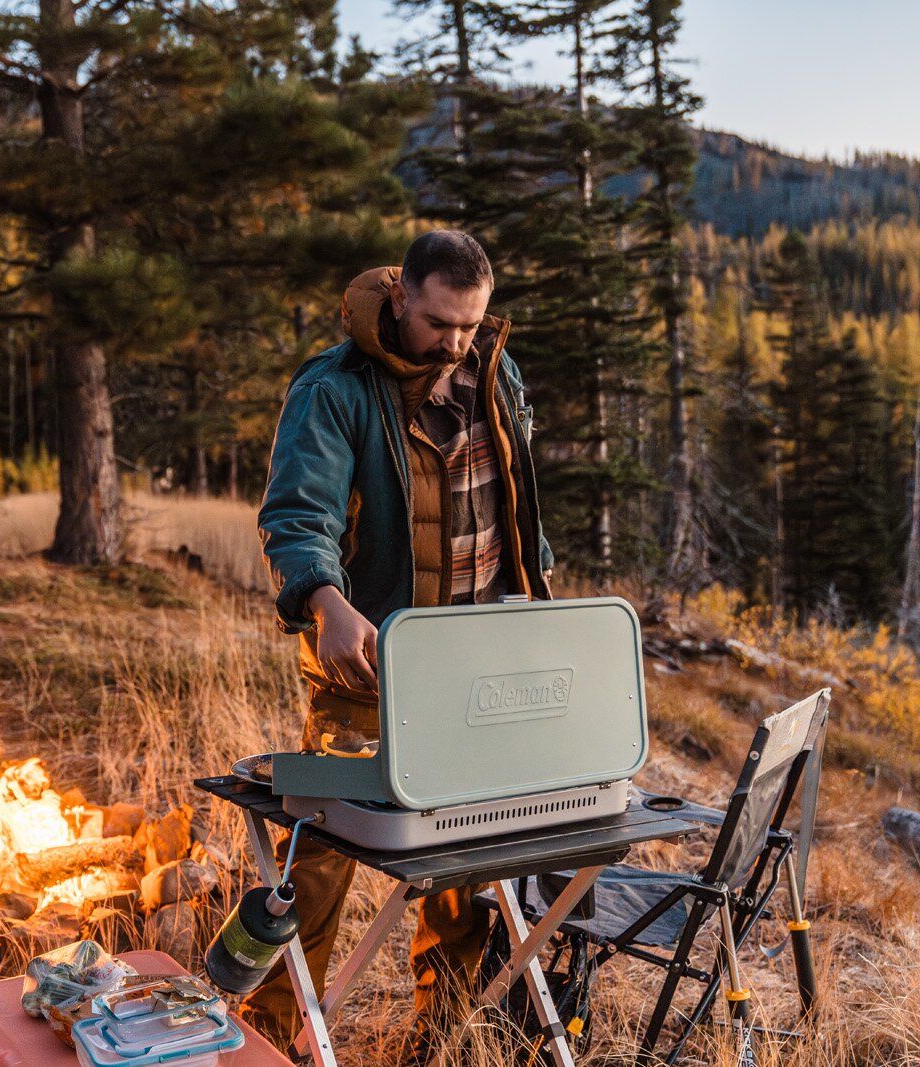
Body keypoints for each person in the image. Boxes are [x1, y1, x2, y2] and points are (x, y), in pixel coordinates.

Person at [249, 229, 555, 1059]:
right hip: (365, 665)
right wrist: (327, 604)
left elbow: (517, 502)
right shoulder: (333, 387)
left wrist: (535, 602)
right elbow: (296, 516)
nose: (455, 342)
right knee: (320, 858)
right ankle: (268, 1040)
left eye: (470, 324)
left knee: (461, 862)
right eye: (439, 323)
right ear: (399, 297)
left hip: (475, 666)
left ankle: (440, 1035)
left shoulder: (496, 371)